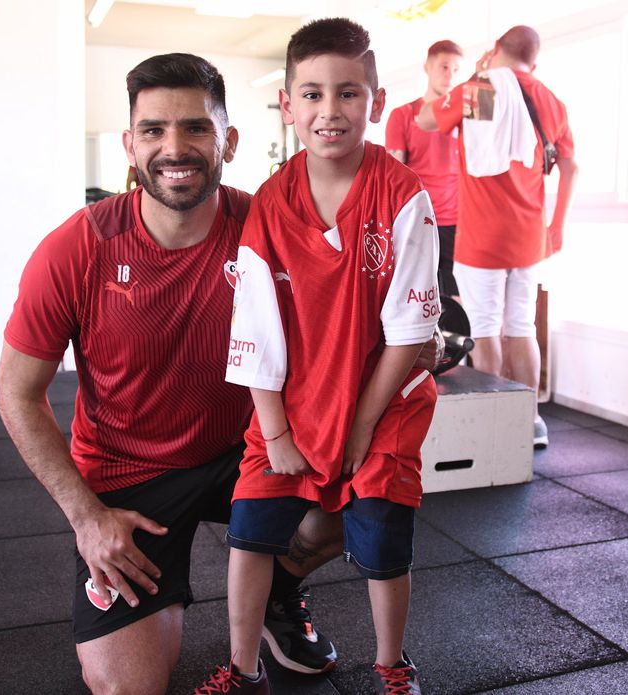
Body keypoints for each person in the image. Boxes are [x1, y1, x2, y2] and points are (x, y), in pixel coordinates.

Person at [0, 53, 440, 695]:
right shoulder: (78, 248)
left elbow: (377, 310)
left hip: (248, 447)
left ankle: (275, 593)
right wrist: (86, 516)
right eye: (153, 130)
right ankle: (225, 590)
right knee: (129, 687)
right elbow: (17, 392)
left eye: (196, 128)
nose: (174, 148)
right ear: (129, 145)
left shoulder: (271, 221)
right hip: (130, 479)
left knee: (360, 493)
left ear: (227, 140)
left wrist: (420, 341)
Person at [194, 18, 439, 695]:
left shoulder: (401, 195)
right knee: (250, 532)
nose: (329, 110)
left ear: (378, 102)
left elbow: (411, 332)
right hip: (291, 404)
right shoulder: (271, 203)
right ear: (287, 105)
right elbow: (256, 327)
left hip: (383, 402)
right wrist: (274, 429)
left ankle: (393, 664)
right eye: (311, 94)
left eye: (348, 93)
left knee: (384, 536)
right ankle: (242, 670)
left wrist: (360, 426)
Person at [417, 25, 578, 448]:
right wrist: (557, 224)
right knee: (521, 325)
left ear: (495, 51)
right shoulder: (551, 100)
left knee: (486, 327)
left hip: (482, 235)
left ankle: (496, 428)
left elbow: (428, 118)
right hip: (529, 235)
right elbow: (571, 167)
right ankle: (529, 422)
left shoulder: (480, 87)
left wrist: (477, 74)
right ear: (534, 61)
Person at [385, 39, 464, 299]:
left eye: (455, 69)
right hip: (418, 219)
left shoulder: (466, 118)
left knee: (457, 302)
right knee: (417, 297)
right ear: (427, 67)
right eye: (443, 66)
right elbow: (393, 176)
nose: (449, 75)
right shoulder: (403, 114)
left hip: (456, 221)